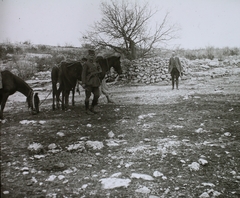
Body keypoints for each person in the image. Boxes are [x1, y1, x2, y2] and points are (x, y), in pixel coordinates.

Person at [82, 50, 102, 114]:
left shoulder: (96, 63)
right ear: (88, 56)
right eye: (90, 55)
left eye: (93, 55)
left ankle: (92, 108)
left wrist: (99, 71)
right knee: (87, 96)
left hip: (96, 82)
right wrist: (84, 83)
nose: (92, 57)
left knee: (97, 95)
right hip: (89, 82)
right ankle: (87, 110)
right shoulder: (86, 64)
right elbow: (83, 74)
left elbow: (100, 70)